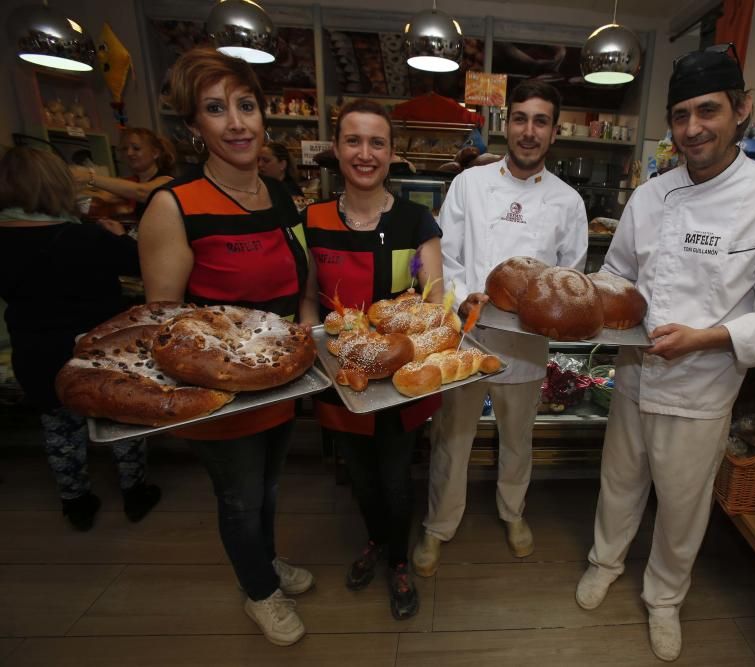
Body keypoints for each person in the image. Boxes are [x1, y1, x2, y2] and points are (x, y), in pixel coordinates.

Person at [574, 47, 755, 662]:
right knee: (619, 482)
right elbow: (618, 274)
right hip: (633, 373)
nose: (692, 129)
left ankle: (664, 597)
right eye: (680, 115)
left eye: (707, 111)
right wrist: (589, 305)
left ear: (742, 109)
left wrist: (706, 339)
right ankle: (605, 562)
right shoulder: (650, 197)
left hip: (703, 385)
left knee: (683, 505)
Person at [138, 47, 312, 647]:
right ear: (193, 128)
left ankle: (262, 561)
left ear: (264, 116)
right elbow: (164, 326)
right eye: (217, 109)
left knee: (267, 486)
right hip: (219, 391)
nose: (237, 122)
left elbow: (295, 285)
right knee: (239, 495)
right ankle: (259, 591)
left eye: (246, 105)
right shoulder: (175, 206)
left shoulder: (281, 196)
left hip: (281, 376)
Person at [412, 80, 588, 576]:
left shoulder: (568, 202)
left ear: (554, 132)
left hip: (527, 346)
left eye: (540, 122)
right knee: (453, 435)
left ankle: (513, 512)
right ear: (505, 124)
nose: (528, 131)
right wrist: (463, 293)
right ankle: (439, 524)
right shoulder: (470, 184)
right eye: (520, 119)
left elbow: (569, 277)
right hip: (468, 335)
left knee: (518, 436)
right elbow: (445, 256)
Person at [299, 98, 444, 621]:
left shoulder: (415, 221)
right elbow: (311, 297)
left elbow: (433, 299)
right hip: (340, 376)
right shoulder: (312, 220)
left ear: (392, 152)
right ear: (336, 150)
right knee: (358, 473)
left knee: (395, 475)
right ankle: (377, 542)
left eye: (377, 142)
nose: (365, 153)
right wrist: (311, 342)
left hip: (400, 379)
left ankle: (399, 559)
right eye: (354, 141)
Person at [0, 147, 161, 531]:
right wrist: (121, 237)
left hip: (34, 350)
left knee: (59, 430)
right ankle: (135, 492)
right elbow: (142, 262)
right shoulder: (85, 238)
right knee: (122, 419)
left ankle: (76, 501)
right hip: (97, 348)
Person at [70, 127, 175, 221]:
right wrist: (76, 204)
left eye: (136, 148)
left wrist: (90, 177)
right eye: (125, 149)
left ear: (155, 153)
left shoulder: (167, 180)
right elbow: (99, 200)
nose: (129, 153)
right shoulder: (129, 182)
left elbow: (142, 192)